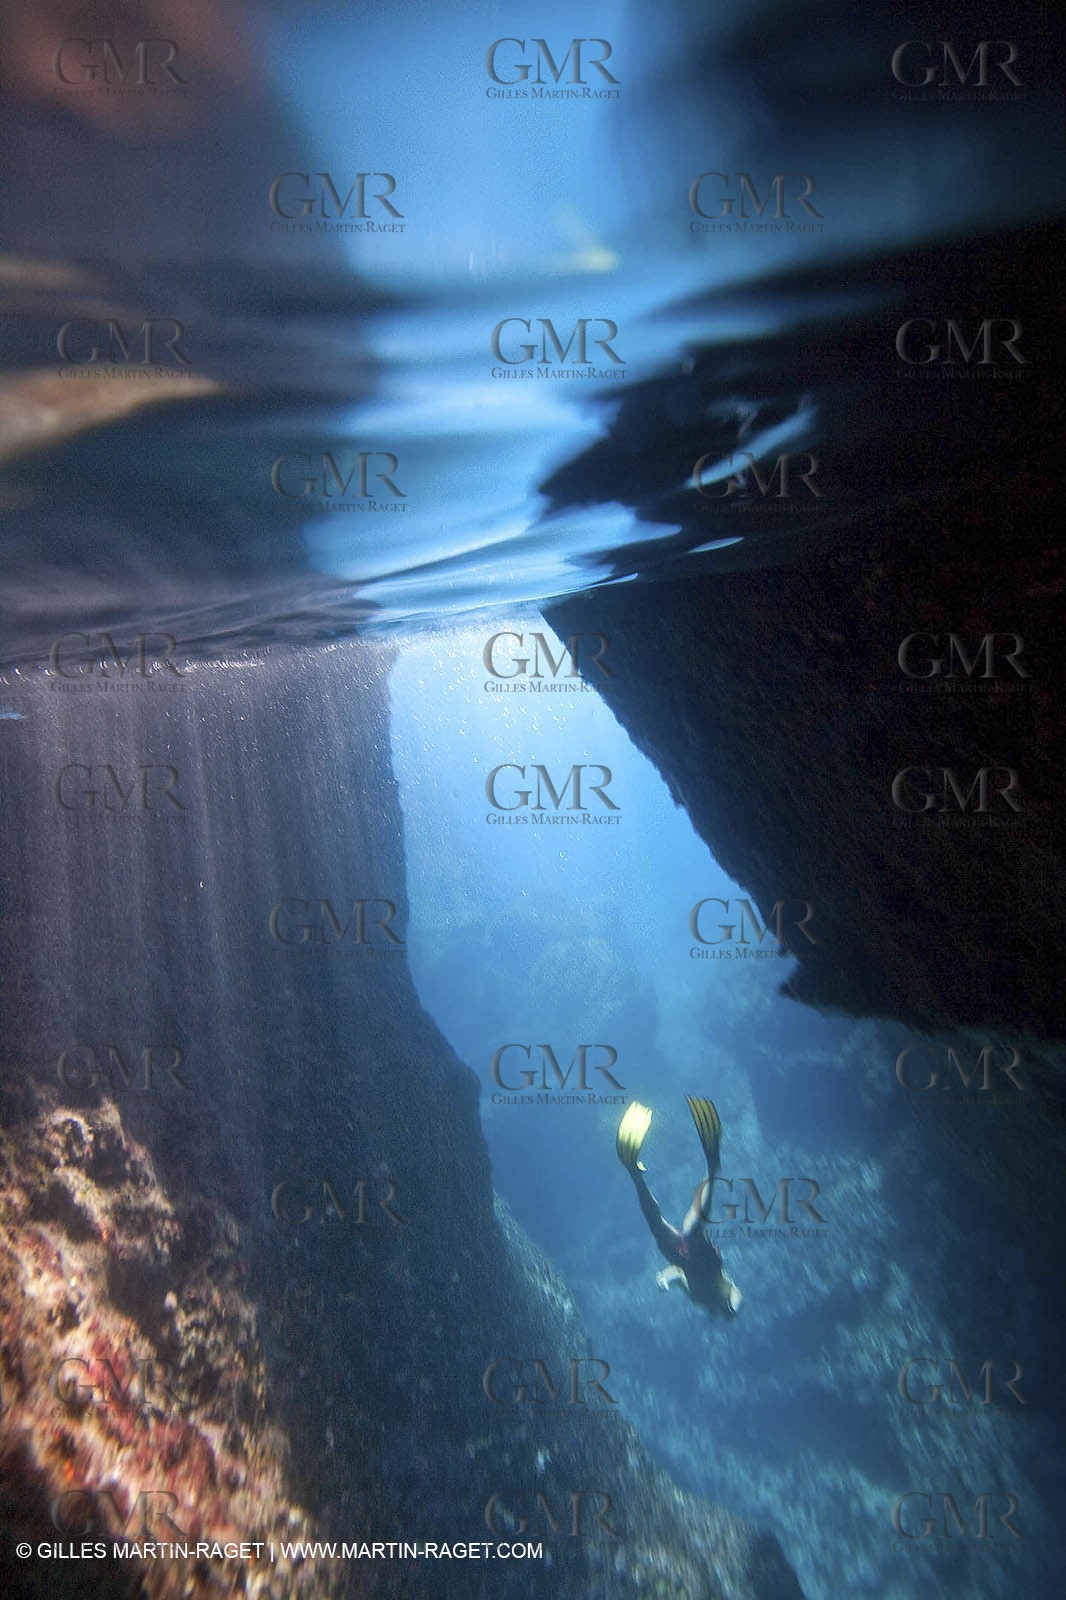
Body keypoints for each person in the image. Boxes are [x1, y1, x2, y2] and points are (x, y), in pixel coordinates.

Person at [616, 1096, 742, 1317]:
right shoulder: (726, 1295)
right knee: (692, 1230)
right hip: (707, 1263)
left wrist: (664, 1280)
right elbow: (735, 1295)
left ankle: (636, 1176)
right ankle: (712, 1168)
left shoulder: (697, 1300)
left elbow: (677, 1275)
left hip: (683, 1260)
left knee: (658, 1230)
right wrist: (732, 1306)